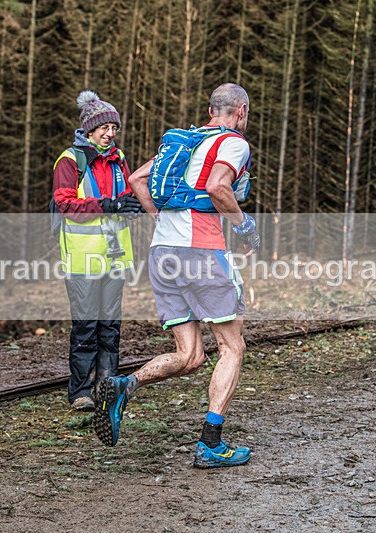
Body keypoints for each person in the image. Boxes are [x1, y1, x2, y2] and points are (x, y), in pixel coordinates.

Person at [93, 83, 260, 468]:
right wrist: (245, 225)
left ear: (210, 109)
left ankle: (123, 385)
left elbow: (136, 180)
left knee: (191, 356)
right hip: (201, 251)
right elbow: (219, 186)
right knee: (232, 347)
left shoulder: (183, 142)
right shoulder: (233, 143)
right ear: (241, 111)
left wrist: (160, 218)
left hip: (162, 252)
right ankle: (211, 444)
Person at [52, 90, 143, 412]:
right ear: (89, 129)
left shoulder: (118, 160)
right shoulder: (70, 160)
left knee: (110, 325)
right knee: (86, 326)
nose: (110, 133)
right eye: (104, 128)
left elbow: (127, 196)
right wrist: (107, 205)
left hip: (116, 256)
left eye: (114, 128)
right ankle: (80, 392)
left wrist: (131, 207)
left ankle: (106, 385)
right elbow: (65, 204)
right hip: (83, 256)